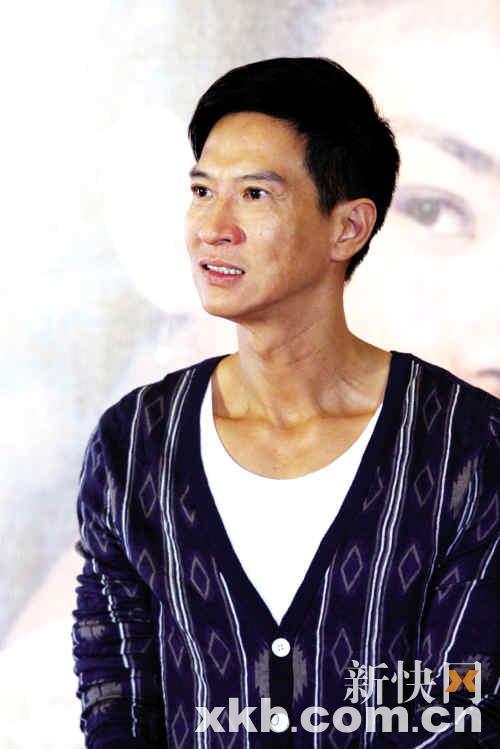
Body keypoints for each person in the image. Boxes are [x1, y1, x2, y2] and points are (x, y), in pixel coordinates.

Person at [71, 57, 500, 747]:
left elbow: (464, 706)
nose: (213, 226)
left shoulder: (467, 444)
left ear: (348, 228)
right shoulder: (136, 442)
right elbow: (114, 682)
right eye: (202, 190)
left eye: (255, 194)